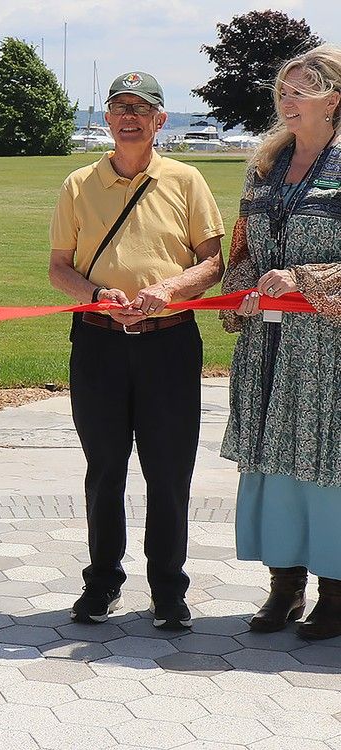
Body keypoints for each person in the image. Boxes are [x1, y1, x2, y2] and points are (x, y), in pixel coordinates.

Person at [49, 71, 225, 629]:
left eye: (141, 109)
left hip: (168, 344)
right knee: (105, 469)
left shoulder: (186, 180)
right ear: (107, 118)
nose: (129, 117)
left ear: (159, 120)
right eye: (119, 107)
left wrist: (168, 290)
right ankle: (102, 583)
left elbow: (213, 262)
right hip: (98, 344)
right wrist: (98, 296)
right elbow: (59, 268)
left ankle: (168, 590)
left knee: (169, 471)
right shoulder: (79, 184)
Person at [221, 45, 341, 640]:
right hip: (267, 349)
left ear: (334, 98)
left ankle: (336, 593)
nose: (288, 98)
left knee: (324, 468)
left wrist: (306, 280)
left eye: (304, 87)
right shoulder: (263, 167)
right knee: (272, 468)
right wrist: (243, 288)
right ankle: (283, 587)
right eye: (284, 89)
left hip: (327, 353)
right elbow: (241, 250)